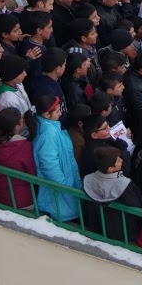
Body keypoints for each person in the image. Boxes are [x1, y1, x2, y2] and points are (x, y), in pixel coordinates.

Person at [32, 94, 82, 222]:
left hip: (64, 184)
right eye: (58, 111)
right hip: (59, 193)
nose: (61, 113)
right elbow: (49, 163)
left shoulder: (50, 127)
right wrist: (63, 184)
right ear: (47, 115)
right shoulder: (49, 133)